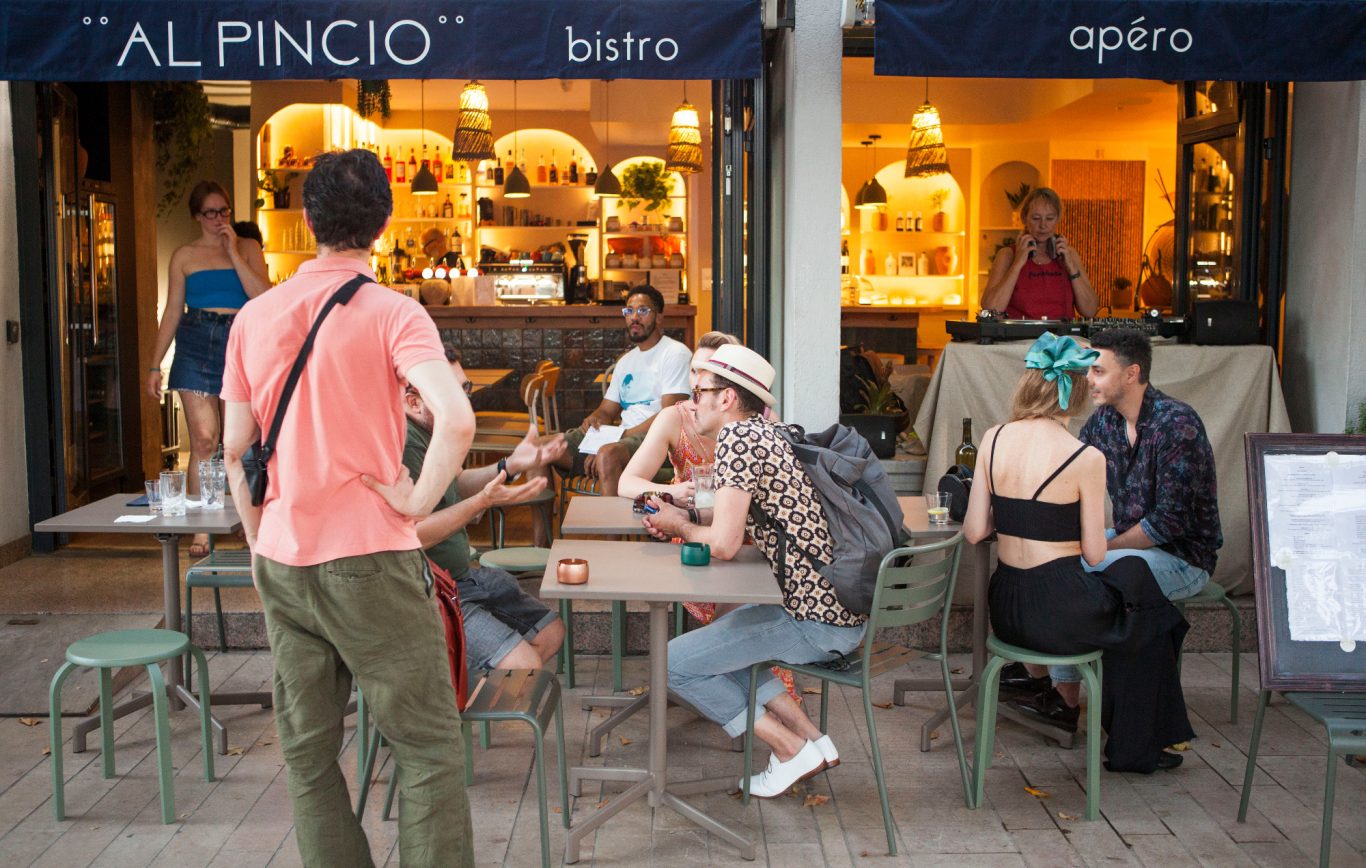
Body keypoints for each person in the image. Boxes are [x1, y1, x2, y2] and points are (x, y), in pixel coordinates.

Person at [220, 148, 476, 867]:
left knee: (307, 754)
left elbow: (237, 448)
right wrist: (414, 499)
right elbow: (455, 420)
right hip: (370, 557)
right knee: (425, 747)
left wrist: (257, 540)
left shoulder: (255, 315)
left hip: (284, 557)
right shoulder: (397, 313)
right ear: (385, 225)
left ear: (306, 221)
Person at [640, 345, 867, 797]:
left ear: (726, 399)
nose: (690, 401)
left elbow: (724, 543)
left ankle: (789, 749)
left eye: (699, 390)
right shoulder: (771, 431)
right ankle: (816, 742)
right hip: (837, 607)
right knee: (726, 646)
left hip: (815, 621)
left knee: (676, 664)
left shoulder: (738, 440)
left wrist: (678, 524)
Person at [963, 332, 1193, 774]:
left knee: (1140, 595)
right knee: (1146, 612)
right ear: (1074, 390)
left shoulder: (992, 438)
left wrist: (1017, 515)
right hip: (1059, 613)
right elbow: (1092, 553)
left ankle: (1077, 709)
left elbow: (975, 531)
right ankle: (1134, 745)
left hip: (1007, 608)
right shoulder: (1084, 456)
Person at [1004, 327, 1222, 728]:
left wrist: (1102, 550)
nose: (1088, 379)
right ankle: (1050, 682)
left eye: (1099, 371)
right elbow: (1062, 474)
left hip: (1182, 558)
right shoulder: (1104, 422)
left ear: (1132, 373)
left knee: (1078, 571)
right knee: (1051, 561)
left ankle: (1062, 694)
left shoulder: (1177, 424)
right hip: (1129, 547)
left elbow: (1166, 524)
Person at [402, 348, 568, 674]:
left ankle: (463, 699)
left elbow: (457, 483)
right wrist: (482, 502)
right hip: (428, 591)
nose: (465, 401)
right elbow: (410, 536)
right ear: (413, 402)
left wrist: (510, 465)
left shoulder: (437, 430)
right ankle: (448, 707)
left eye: (465, 389)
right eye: (451, 392)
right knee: (523, 665)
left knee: (550, 633)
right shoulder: (404, 444)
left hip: (464, 576)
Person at [147, 181, 270, 557]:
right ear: (197, 217)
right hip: (196, 342)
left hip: (240, 341)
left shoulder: (247, 248)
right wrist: (154, 364)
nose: (219, 219)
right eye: (212, 213)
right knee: (204, 441)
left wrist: (233, 252)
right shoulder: (184, 256)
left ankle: (250, 523)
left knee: (240, 443)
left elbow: (263, 296)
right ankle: (201, 530)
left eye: (225, 211)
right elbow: (171, 312)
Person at [553, 284, 692, 496]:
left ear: (660, 317)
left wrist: (614, 439)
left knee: (608, 455)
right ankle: (542, 531)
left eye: (643, 310)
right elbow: (607, 411)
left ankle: (612, 529)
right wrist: (594, 420)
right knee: (546, 448)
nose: (634, 317)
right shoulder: (626, 361)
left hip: (659, 443)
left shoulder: (675, 353)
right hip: (623, 439)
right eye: (629, 311)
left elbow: (670, 414)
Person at [979, 187, 1099, 319]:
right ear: (1024, 218)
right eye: (1036, 218)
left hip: (1060, 338)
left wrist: (1071, 267)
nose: (1043, 225)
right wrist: (1017, 264)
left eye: (1049, 218)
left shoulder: (1069, 254)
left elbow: (1090, 310)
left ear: (1058, 218)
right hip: (1019, 337)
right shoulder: (1007, 255)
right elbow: (990, 308)